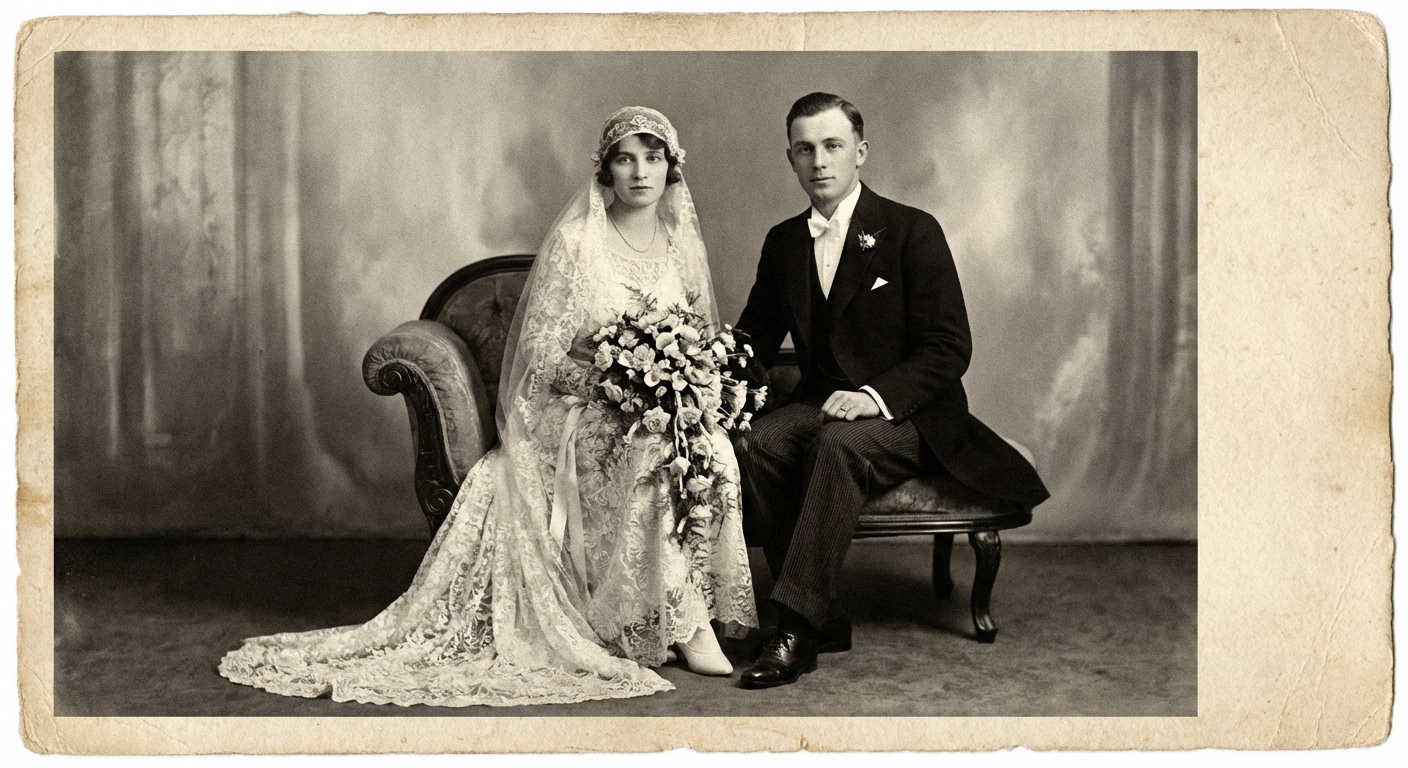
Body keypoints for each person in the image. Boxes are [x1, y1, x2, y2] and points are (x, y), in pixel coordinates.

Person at [219, 107, 757, 707]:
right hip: (577, 408)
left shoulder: (679, 241)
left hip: (654, 401)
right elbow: (545, 353)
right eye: (625, 158)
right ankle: (681, 626)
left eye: (653, 158)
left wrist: (685, 383)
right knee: (654, 449)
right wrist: (616, 383)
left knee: (714, 453)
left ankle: (683, 608)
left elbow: (697, 333)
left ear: (671, 169)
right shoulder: (580, 242)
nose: (640, 172)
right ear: (605, 169)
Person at [733, 92, 1049, 689]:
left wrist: (874, 396)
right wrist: (700, 382)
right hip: (822, 404)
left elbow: (949, 348)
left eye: (832, 146)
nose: (819, 161)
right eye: (805, 149)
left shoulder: (911, 230)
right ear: (791, 160)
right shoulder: (783, 242)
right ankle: (823, 616)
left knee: (839, 445)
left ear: (861, 152)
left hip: (911, 416)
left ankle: (795, 627)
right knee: (756, 441)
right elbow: (751, 340)